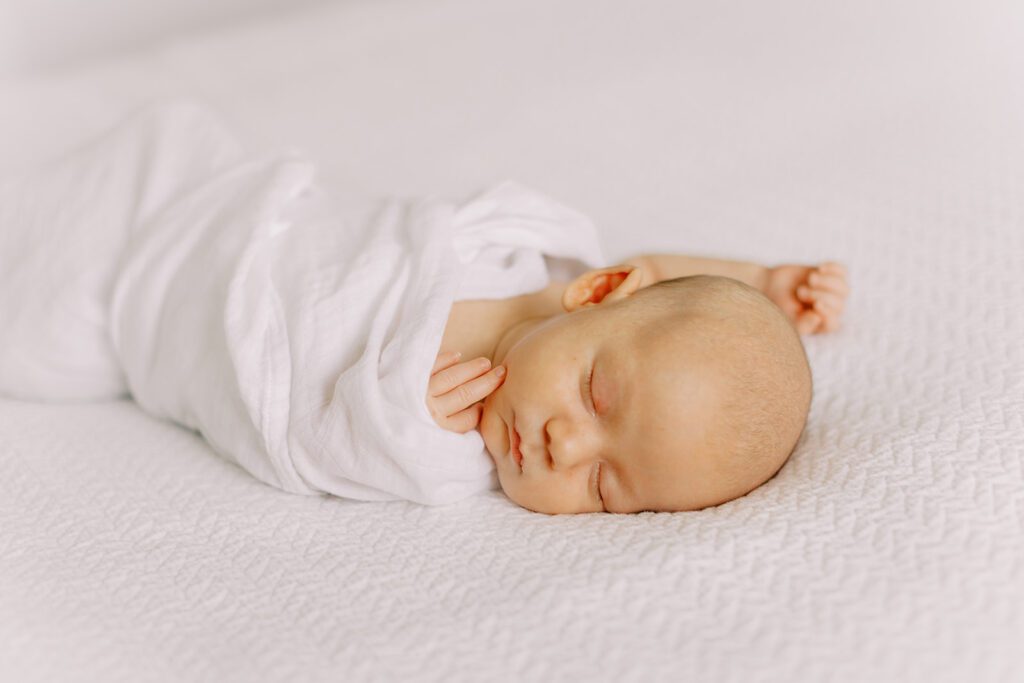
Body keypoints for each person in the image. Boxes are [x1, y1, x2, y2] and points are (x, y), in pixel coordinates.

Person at [427, 258, 848, 513]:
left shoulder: (445, 442)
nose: (566, 448)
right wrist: (763, 280)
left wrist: (406, 418)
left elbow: (364, 455)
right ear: (600, 291)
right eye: (593, 395)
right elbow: (654, 272)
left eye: (601, 486)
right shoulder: (554, 277)